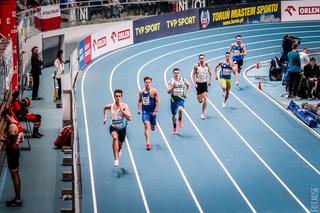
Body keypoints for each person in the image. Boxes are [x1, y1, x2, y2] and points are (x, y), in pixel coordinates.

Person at [103, 89, 132, 167]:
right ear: (114, 96)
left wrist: (122, 110)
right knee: (115, 138)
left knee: (120, 145)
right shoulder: (111, 106)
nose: (118, 97)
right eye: (116, 96)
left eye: (119, 96)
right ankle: (116, 159)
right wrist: (105, 118)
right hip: (113, 128)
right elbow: (105, 108)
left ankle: (119, 150)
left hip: (122, 128)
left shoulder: (124, 106)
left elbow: (130, 118)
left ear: (121, 97)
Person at [1, 109, 23, 207]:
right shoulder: (17, 123)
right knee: (16, 175)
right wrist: (6, 138)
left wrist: (3, 139)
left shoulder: (11, 126)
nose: (5, 120)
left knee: (15, 176)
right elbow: (17, 139)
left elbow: (10, 142)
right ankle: (17, 197)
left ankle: (18, 199)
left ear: (7, 115)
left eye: (5, 118)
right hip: (15, 151)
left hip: (12, 152)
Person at [137, 76, 160, 150]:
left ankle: (153, 123)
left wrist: (155, 111)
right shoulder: (141, 92)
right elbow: (139, 101)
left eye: (149, 82)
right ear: (144, 83)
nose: (147, 83)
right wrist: (138, 109)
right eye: (146, 82)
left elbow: (158, 102)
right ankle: (148, 143)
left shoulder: (154, 91)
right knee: (146, 125)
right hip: (145, 112)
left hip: (152, 112)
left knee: (153, 128)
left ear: (151, 83)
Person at [167, 68, 190, 134]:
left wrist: (186, 93)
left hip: (181, 99)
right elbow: (168, 91)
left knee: (180, 109)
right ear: (173, 74)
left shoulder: (183, 80)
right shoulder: (170, 81)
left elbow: (188, 85)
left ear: (179, 73)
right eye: (175, 73)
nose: (176, 74)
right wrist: (173, 87)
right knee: (174, 116)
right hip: (173, 100)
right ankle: (174, 128)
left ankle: (180, 119)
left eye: (177, 73)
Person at [192, 54, 212, 119]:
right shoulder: (196, 66)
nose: (202, 59)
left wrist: (210, 81)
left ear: (204, 58)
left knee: (205, 100)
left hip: (204, 84)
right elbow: (193, 75)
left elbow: (211, 74)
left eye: (203, 58)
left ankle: (202, 114)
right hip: (198, 84)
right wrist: (194, 83)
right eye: (200, 58)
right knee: (200, 101)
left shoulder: (207, 66)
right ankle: (200, 96)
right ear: (199, 59)